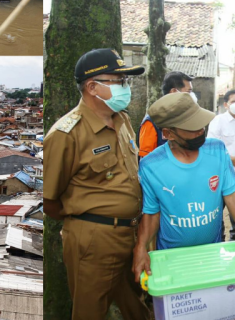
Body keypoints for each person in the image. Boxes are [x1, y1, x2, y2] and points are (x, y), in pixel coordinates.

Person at [42, 48, 147, 320]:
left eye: (126, 81)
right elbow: (49, 201)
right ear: (92, 87)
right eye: (119, 81)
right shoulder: (67, 134)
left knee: (138, 307)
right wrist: (87, 222)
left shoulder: (122, 120)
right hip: (94, 241)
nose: (126, 87)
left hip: (131, 235)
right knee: (90, 312)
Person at [133, 92, 235, 282]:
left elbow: (232, 196)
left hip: (212, 252)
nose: (200, 130)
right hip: (172, 258)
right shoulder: (151, 165)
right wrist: (141, 248)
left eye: (201, 124)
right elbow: (151, 213)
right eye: (192, 128)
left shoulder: (216, 150)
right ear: (168, 133)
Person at [138, 71, 194, 158]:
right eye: (188, 92)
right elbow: (146, 159)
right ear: (174, 91)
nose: (192, 96)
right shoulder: (152, 121)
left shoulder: (186, 117)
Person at [207, 89, 235, 168]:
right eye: (233, 102)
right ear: (226, 105)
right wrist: (232, 160)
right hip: (224, 167)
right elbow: (212, 147)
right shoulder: (218, 120)